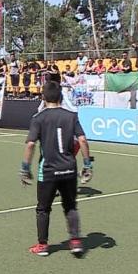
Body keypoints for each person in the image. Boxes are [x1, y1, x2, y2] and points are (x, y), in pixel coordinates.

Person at [20, 82, 93, 257]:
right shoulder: (72, 116)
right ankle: (75, 241)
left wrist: (25, 168)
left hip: (48, 170)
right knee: (70, 206)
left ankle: (43, 245)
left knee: (43, 208)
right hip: (69, 169)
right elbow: (82, 140)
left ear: (43, 98)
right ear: (60, 97)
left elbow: (30, 144)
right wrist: (87, 165)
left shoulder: (38, 118)